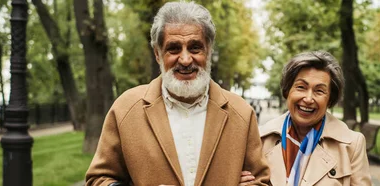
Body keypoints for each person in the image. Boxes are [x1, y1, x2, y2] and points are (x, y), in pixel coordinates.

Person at [85, 2, 270, 185]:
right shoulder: (125, 109)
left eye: (195, 47)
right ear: (157, 54)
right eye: (173, 48)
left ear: (209, 50)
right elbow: (98, 179)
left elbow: (262, 180)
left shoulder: (241, 113)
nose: (185, 59)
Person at [240, 51, 371, 186]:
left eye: (319, 91)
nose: (308, 99)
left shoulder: (352, 145)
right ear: (287, 91)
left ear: (330, 100)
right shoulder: (259, 138)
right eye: (301, 87)